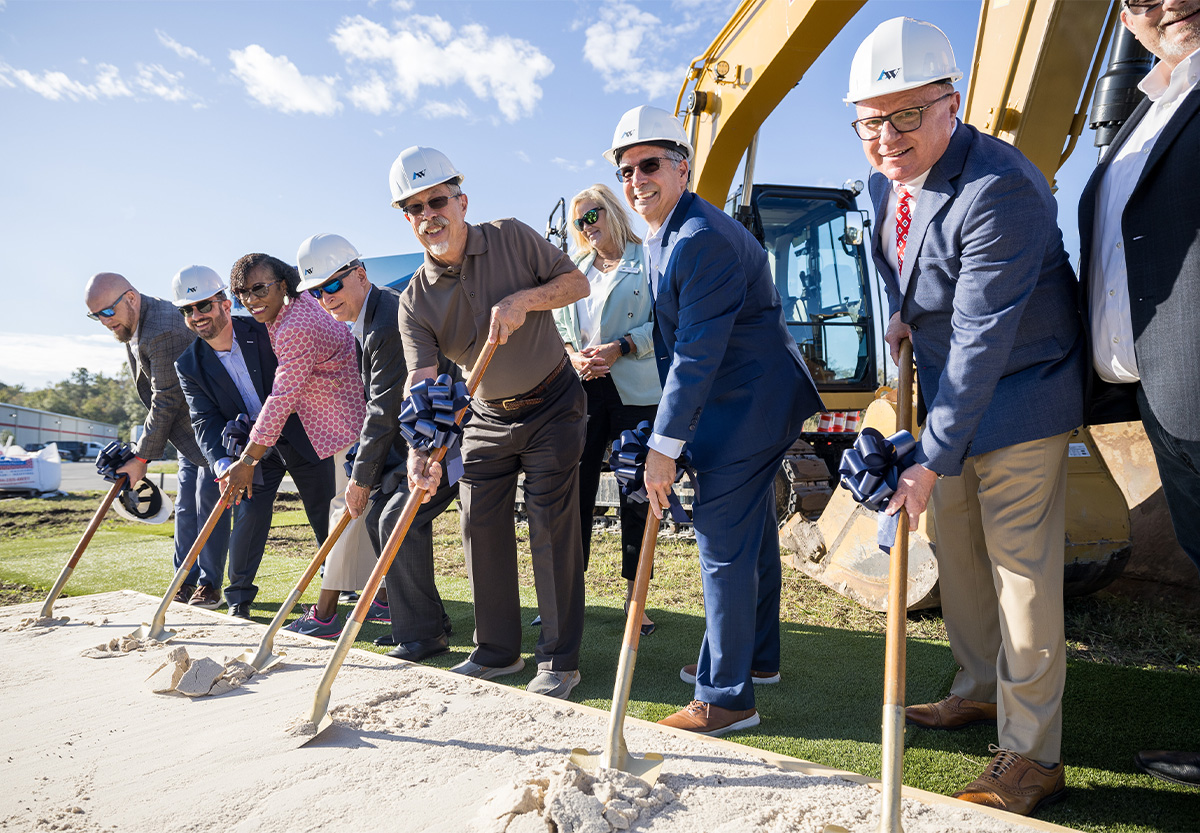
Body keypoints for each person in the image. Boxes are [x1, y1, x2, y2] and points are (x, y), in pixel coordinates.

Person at [846, 18, 1087, 815]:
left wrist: (929, 455)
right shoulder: (887, 177)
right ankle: (980, 688)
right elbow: (897, 257)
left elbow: (985, 334)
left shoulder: (1002, 187)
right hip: (950, 386)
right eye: (870, 120)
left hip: (1022, 392)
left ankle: (1032, 753)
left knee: (1020, 571)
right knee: (957, 547)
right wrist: (906, 315)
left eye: (907, 115)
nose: (886, 137)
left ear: (953, 103)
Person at [605, 105, 822, 737]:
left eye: (650, 165)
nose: (637, 179)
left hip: (746, 408)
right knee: (750, 538)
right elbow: (680, 345)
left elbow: (696, 353)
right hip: (745, 402)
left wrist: (664, 446)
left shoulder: (699, 237)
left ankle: (726, 698)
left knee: (721, 548)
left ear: (683, 166)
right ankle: (755, 660)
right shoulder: (667, 234)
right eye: (626, 170)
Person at [393, 145, 590, 699]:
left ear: (460, 200)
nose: (429, 215)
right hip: (485, 418)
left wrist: (526, 300)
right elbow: (423, 381)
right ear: (406, 219)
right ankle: (498, 653)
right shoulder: (413, 301)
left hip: (553, 402)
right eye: (414, 208)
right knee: (478, 522)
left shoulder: (511, 234)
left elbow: (577, 284)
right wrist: (420, 452)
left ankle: (559, 660)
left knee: (549, 525)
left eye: (437, 200)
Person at [1078, 0, 1200, 790]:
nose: (1166, 3)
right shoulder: (1145, 111)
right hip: (1158, 391)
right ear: (1125, 19)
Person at [297, 233, 459, 661]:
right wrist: (363, 471)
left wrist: (359, 479)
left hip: (450, 442)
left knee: (394, 520)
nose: (326, 297)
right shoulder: (367, 318)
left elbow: (384, 410)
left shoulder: (385, 321)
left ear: (361, 275)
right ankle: (426, 624)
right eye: (316, 291)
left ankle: (422, 635)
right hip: (415, 444)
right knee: (380, 521)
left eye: (333, 285)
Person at [219, 253, 379, 638]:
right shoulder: (293, 308)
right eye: (242, 293)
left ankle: (324, 616)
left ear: (284, 283)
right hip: (349, 423)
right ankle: (385, 599)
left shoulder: (296, 325)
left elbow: (282, 396)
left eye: (259, 288)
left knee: (347, 512)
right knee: (362, 516)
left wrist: (248, 459)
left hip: (352, 425)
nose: (250, 300)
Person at [172, 265, 335, 619]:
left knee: (326, 511)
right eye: (187, 310)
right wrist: (223, 464)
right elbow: (204, 420)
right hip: (251, 451)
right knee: (248, 515)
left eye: (203, 306)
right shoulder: (188, 365)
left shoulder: (265, 329)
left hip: (303, 433)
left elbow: (296, 382)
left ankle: (342, 583)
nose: (196, 316)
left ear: (225, 304)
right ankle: (238, 600)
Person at [84, 272, 229, 609]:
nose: (104, 321)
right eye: (96, 315)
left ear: (131, 298)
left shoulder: (162, 329)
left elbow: (166, 399)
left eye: (107, 311)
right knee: (186, 506)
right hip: (184, 433)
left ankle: (209, 587)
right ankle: (183, 581)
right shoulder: (135, 325)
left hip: (210, 431)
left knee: (208, 506)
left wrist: (141, 457)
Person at [552, 184, 660, 635]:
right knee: (573, 489)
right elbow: (557, 325)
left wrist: (624, 346)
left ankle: (637, 601)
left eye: (592, 216)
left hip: (636, 390)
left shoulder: (649, 257)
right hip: (584, 389)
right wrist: (571, 356)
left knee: (636, 490)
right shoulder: (574, 269)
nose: (586, 228)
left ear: (612, 211)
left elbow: (669, 323)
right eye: (579, 222)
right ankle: (567, 596)